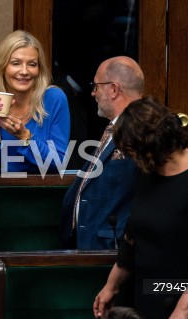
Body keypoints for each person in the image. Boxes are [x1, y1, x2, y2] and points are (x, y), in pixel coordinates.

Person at [93, 97, 188, 319]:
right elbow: (133, 234)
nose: (132, 159)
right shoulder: (150, 171)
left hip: (182, 300)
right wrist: (111, 286)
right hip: (146, 293)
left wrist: (182, 311)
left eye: (133, 152)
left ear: (152, 144)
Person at [60, 56, 143, 250]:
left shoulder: (141, 130)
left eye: (96, 86)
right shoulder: (114, 128)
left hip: (113, 250)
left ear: (113, 89)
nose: (92, 93)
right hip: (91, 245)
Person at [0, 30, 70, 174]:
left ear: (39, 69)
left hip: (42, 190)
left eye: (32, 64)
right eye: (16, 63)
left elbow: (58, 163)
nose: (24, 71)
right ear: (3, 67)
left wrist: (25, 137)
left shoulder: (54, 98)